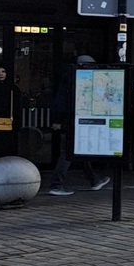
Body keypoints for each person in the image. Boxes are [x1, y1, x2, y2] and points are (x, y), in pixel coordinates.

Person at [48, 55, 111, 196]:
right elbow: (61, 101)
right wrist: (58, 120)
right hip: (72, 120)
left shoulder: (71, 77)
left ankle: (94, 180)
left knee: (80, 150)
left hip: (74, 120)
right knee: (67, 153)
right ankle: (56, 184)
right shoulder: (74, 78)